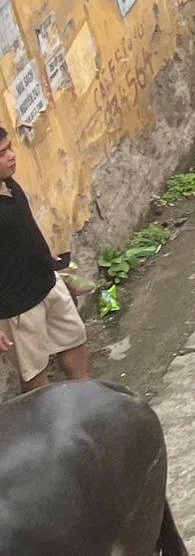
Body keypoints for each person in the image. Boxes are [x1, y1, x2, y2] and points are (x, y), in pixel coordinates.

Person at [0, 124, 88, 391]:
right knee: (36, 379)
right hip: (18, 307)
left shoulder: (8, 182)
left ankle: (87, 404)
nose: (12, 155)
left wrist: (47, 256)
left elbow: (24, 223)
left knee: (75, 342)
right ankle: (46, 428)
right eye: (2, 153)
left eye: (10, 147)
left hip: (47, 284)